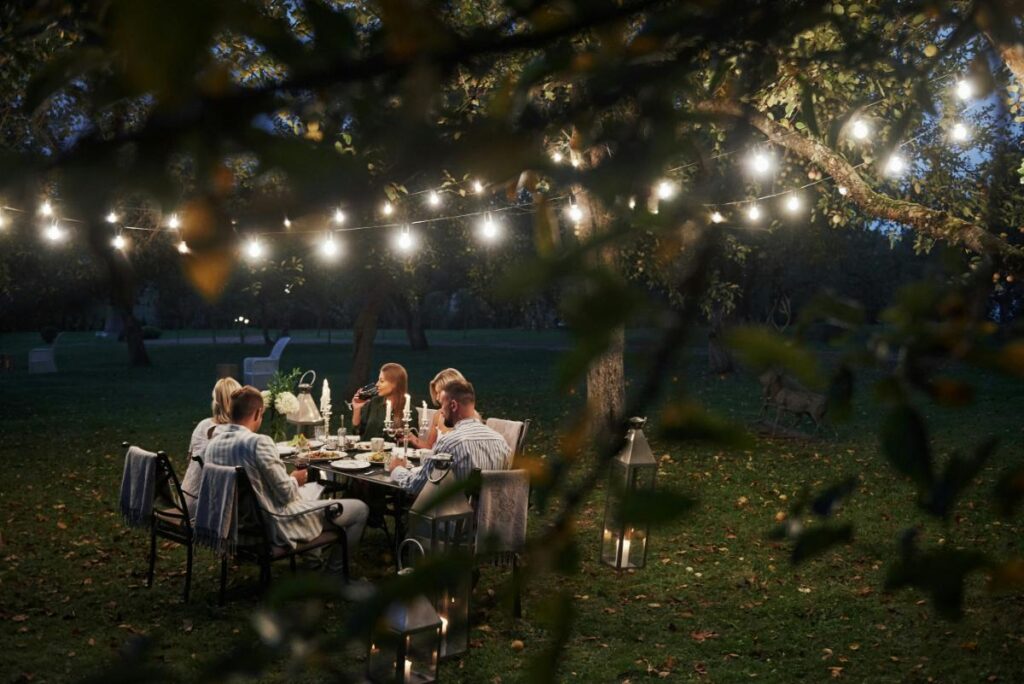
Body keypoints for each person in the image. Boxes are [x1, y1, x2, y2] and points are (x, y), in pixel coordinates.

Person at [204, 386, 368, 573]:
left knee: (311, 492)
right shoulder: (257, 443)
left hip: (233, 526)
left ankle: (313, 564)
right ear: (257, 413)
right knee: (360, 509)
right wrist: (295, 479)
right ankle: (335, 574)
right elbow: (286, 494)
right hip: (273, 525)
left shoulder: (213, 444)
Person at [388, 379, 510, 495]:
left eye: (442, 404)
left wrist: (397, 469)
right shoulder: (501, 442)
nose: (441, 411)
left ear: (453, 405)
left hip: (454, 509)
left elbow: (417, 486)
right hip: (491, 509)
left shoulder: (450, 443)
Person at [181, 377, 241, 513]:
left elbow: (190, 460)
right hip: (207, 508)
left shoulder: (203, 424)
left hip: (186, 500)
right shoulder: (232, 434)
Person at [407, 368, 481, 450]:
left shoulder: (472, 418)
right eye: (436, 393)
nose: (437, 398)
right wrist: (413, 439)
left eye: (439, 392)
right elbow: (430, 447)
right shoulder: (438, 415)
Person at [351, 362, 408, 439]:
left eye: (382, 381)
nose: (377, 384)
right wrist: (357, 409)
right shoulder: (374, 403)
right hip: (366, 446)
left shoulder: (408, 411)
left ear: (395, 384)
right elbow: (356, 432)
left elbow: (408, 442)